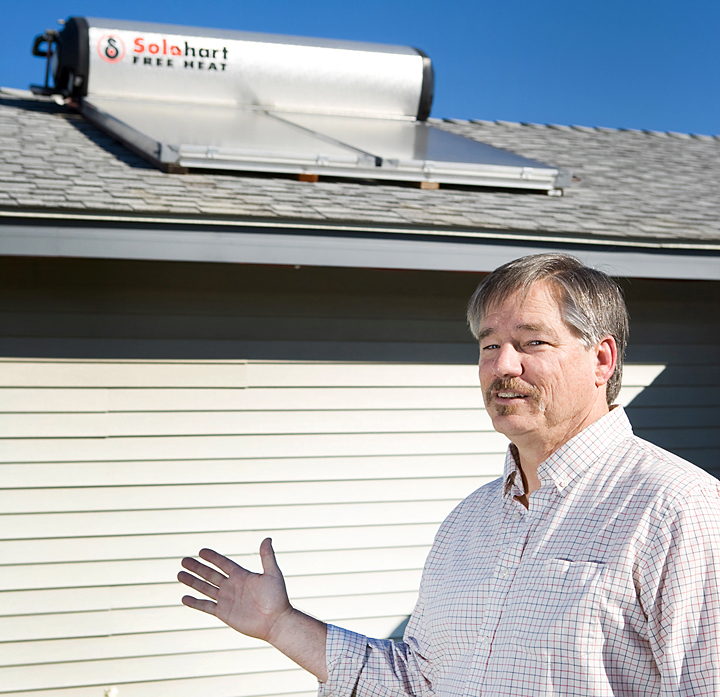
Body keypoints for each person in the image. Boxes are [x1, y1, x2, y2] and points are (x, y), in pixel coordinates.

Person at [178, 253, 720, 696]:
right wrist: (280, 624)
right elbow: (418, 682)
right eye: (489, 345)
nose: (503, 366)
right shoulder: (469, 523)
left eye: (532, 342)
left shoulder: (680, 510)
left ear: (601, 360)